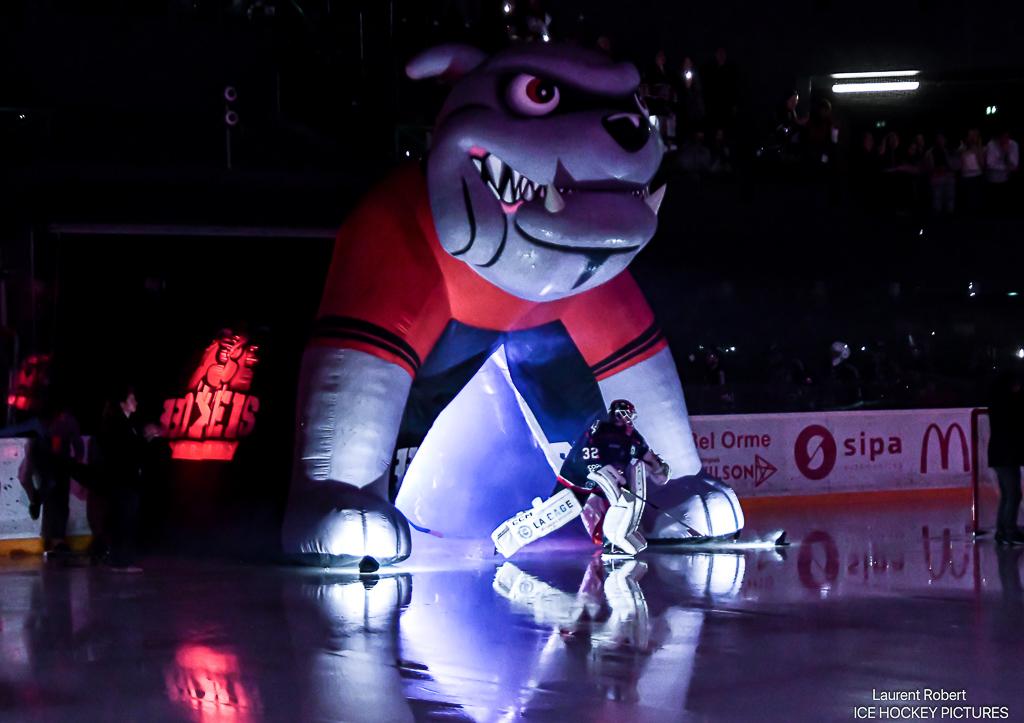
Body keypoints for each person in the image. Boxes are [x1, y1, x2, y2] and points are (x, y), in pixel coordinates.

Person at [558, 400, 671, 555]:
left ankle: (613, 541)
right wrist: (611, 476)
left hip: (608, 480)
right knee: (578, 508)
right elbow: (590, 457)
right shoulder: (601, 429)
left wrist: (657, 468)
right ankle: (612, 541)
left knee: (626, 505)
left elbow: (647, 457)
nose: (630, 419)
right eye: (627, 414)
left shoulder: (633, 436)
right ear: (617, 414)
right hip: (586, 477)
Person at [95, 385, 158, 570]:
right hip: (122, 481)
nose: (135, 402)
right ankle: (120, 560)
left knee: (123, 520)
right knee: (123, 520)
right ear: (122, 403)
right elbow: (126, 452)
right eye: (132, 400)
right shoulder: (118, 425)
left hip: (124, 480)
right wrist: (146, 439)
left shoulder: (125, 424)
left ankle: (119, 559)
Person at [987, 370, 1024, 545]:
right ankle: (1009, 531)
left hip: (1000, 454)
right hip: (1006, 455)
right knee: (1013, 494)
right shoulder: (1009, 404)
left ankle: (1002, 531)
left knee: (1008, 494)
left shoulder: (998, 403)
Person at [984, 129, 1019, 211]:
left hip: (1007, 179)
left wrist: (1006, 153)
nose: (1004, 139)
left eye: (1006, 137)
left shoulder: (1013, 144)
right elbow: (990, 164)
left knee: (1005, 206)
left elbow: (1014, 164)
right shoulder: (991, 144)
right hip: (993, 179)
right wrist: (1006, 167)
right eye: (1002, 137)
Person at [959, 128, 986, 213]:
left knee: (977, 200)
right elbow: (960, 164)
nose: (972, 138)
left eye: (974, 136)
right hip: (966, 177)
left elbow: (982, 164)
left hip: (977, 176)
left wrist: (978, 150)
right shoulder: (962, 148)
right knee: (968, 201)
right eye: (970, 136)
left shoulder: (979, 148)